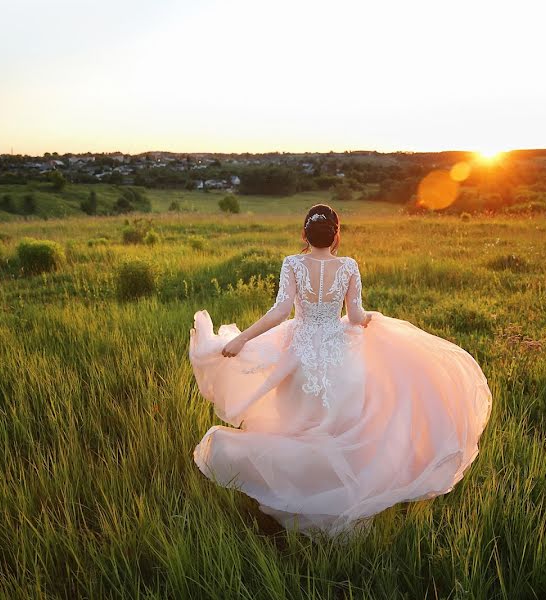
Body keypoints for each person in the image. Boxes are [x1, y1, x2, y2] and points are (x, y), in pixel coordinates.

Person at [189, 203, 492, 541]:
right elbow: (357, 312)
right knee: (337, 433)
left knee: (297, 430)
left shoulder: (292, 263)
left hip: (299, 358)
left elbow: (280, 312)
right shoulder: (348, 266)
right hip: (340, 360)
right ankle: (335, 500)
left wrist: (243, 338)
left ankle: (294, 497)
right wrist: (367, 321)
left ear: (304, 234)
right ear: (336, 235)